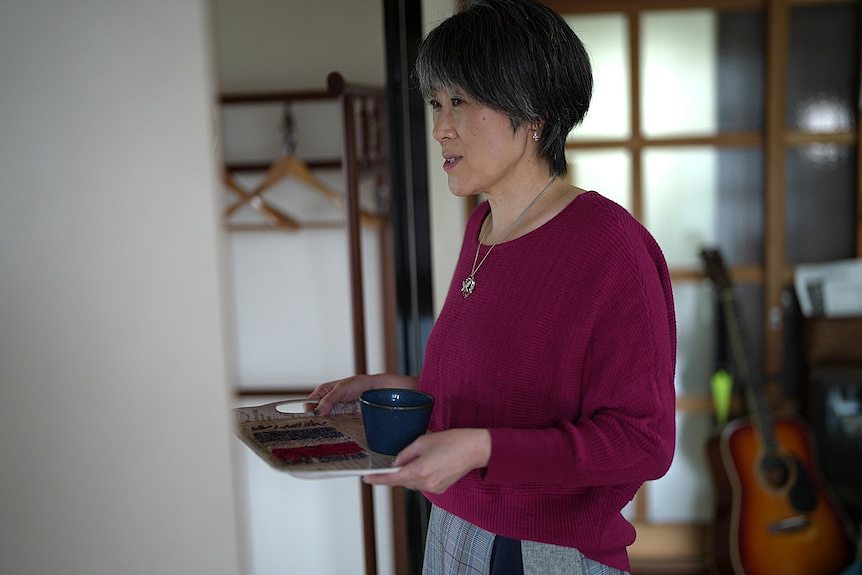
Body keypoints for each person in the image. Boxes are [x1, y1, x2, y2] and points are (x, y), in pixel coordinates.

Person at [307, 1, 677, 573]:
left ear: (535, 115)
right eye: (436, 102)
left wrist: (482, 449)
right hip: (454, 530)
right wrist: (396, 390)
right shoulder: (484, 225)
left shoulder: (611, 248)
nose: (439, 127)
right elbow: (507, 395)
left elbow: (644, 442)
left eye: (461, 101)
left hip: (542, 551)